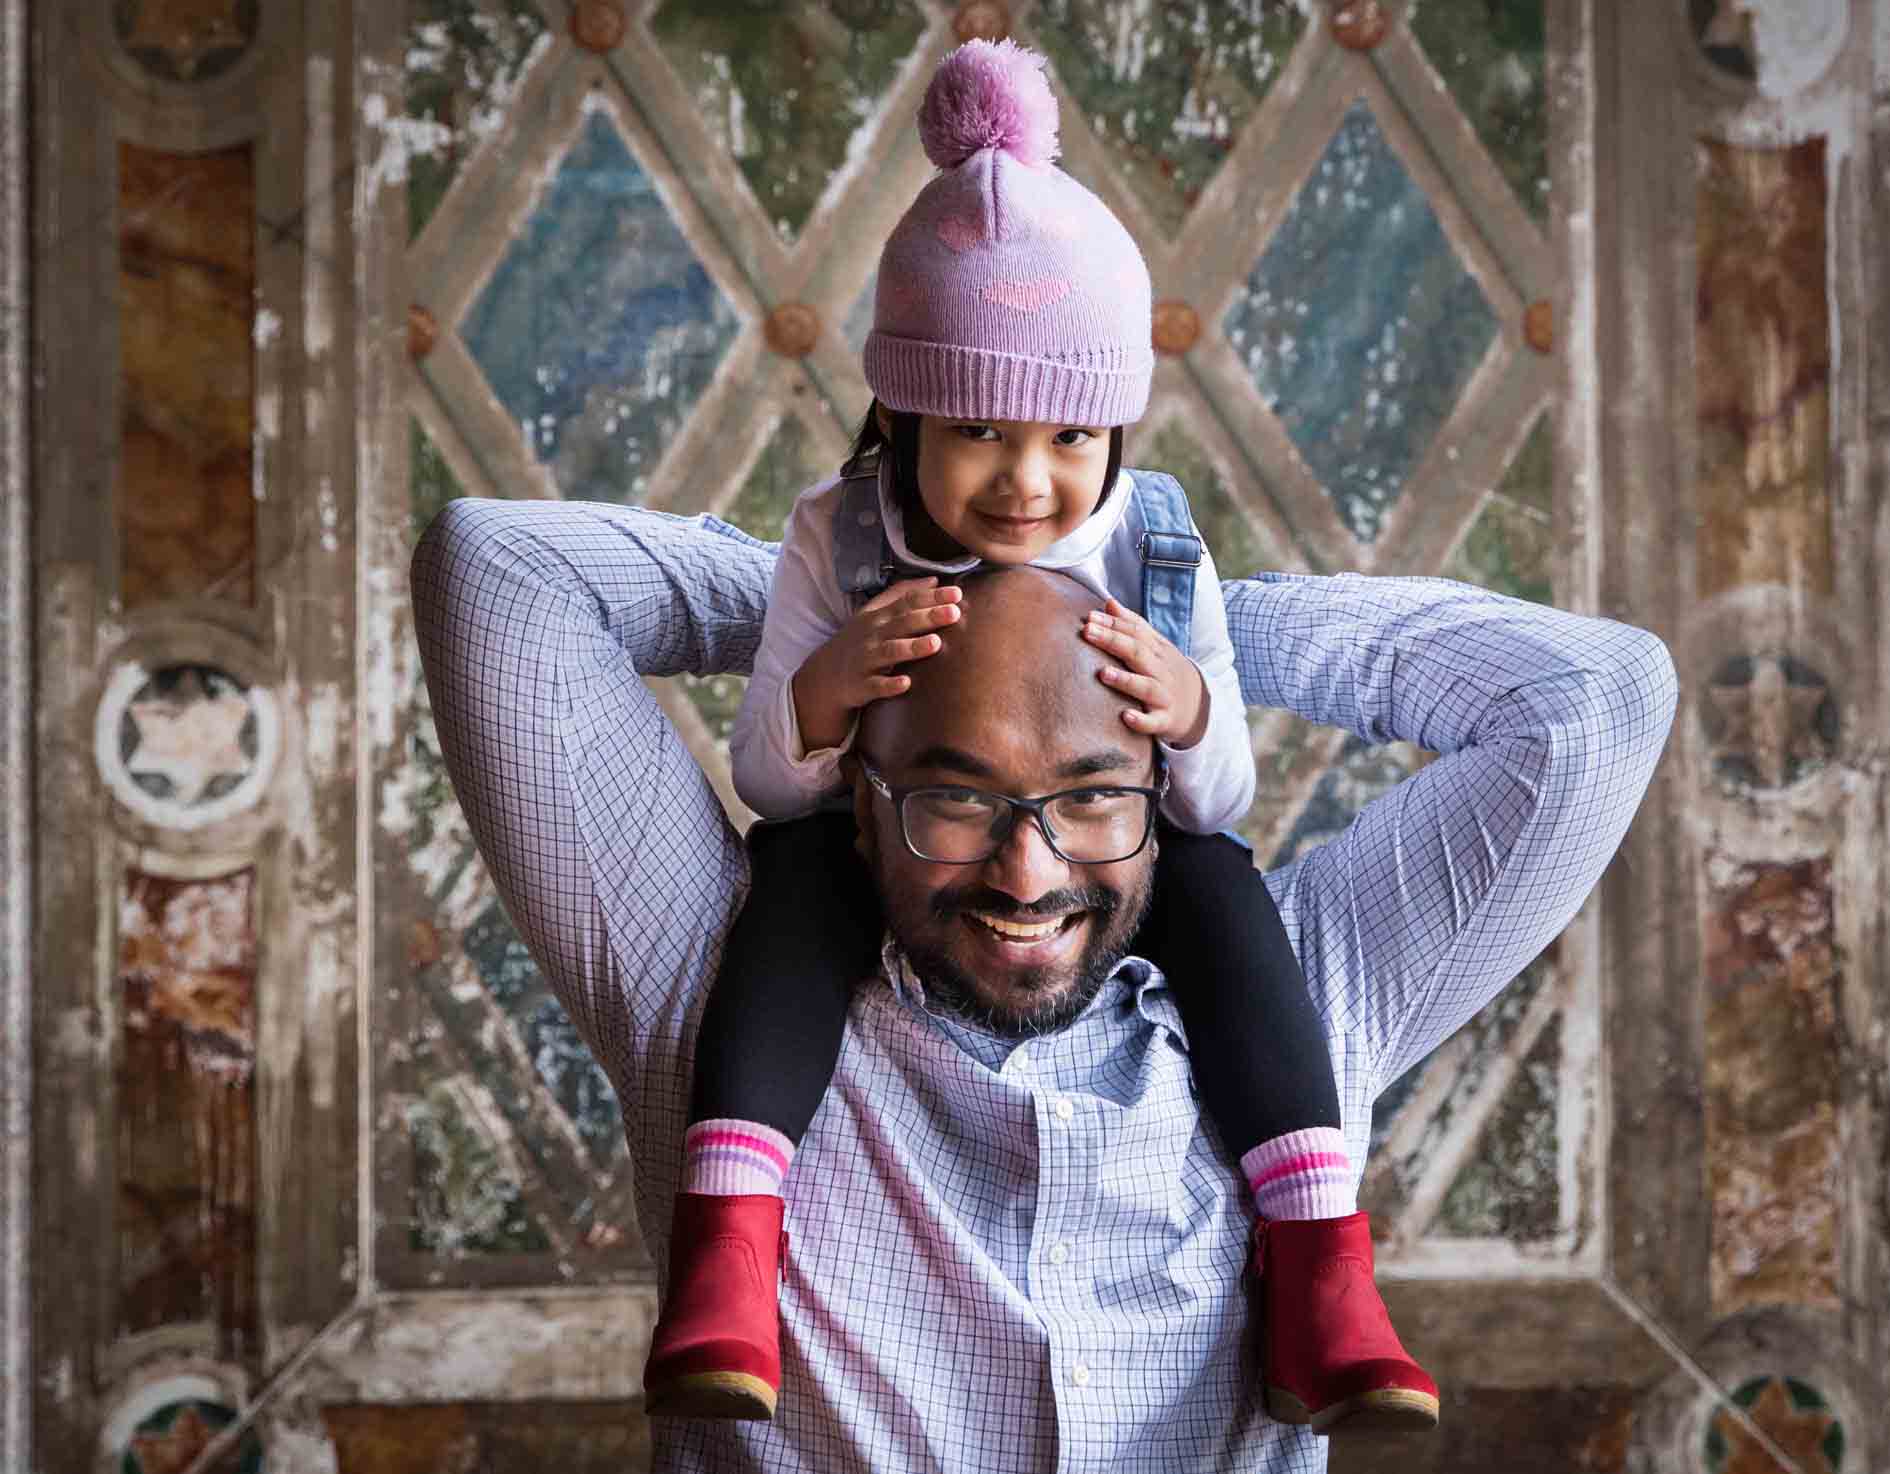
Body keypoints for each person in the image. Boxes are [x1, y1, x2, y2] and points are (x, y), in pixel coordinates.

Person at [410, 518, 1677, 1473]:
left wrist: (1164, 618)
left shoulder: (1304, 990)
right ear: (858, 792)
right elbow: (496, 570)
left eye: (1089, 796)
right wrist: (865, 611)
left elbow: (1595, 700)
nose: (1028, 872)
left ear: (1165, 794)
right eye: (954, 796)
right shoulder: (703, 972)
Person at [652, 37, 1425, 1439]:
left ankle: (1321, 1266)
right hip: (884, 837)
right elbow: (771, 775)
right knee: (793, 882)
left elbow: (1221, 798)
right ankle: (728, 1244)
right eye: (980, 433)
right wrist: (827, 684)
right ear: (898, 416)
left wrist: (1189, 704)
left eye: (1075, 433)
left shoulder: (1152, 532)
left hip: (1132, 853)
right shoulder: (842, 531)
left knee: (1227, 892)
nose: (1030, 479)